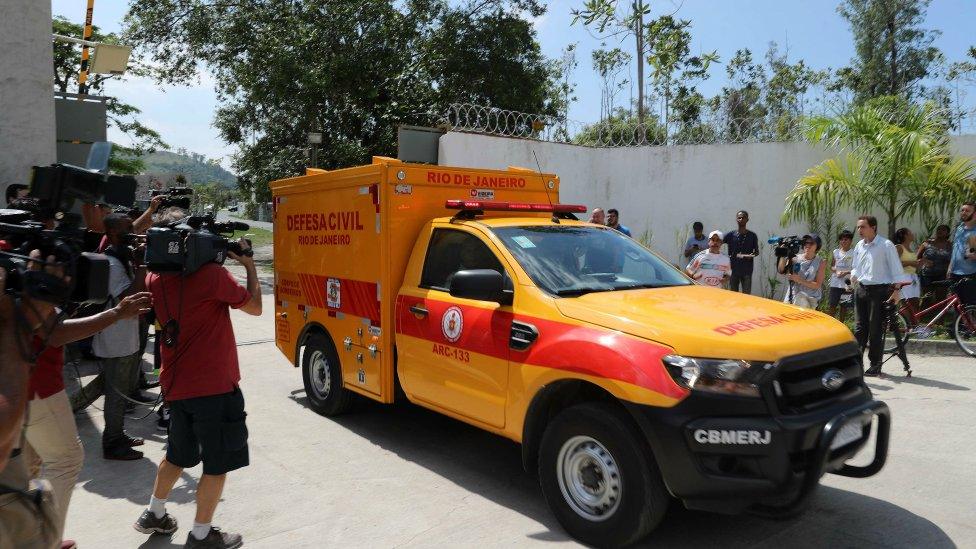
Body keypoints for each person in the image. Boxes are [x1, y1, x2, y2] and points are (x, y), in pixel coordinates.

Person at [134, 218, 262, 548]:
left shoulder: (155, 277)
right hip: (215, 388)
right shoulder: (213, 277)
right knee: (217, 463)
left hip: (177, 386)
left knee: (177, 454)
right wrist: (248, 264)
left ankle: (155, 513)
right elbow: (256, 307)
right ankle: (202, 534)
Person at [26, 293, 151, 546]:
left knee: (26, 466)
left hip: (16, 387)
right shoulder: (27, 280)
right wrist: (115, 313)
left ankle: (23, 533)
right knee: (66, 462)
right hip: (37, 388)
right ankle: (47, 541)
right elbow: (55, 333)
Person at [94, 213, 149, 461]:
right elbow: (130, 297)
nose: (132, 232)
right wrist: (143, 265)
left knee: (120, 390)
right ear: (113, 234)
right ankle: (112, 443)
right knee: (116, 396)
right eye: (127, 229)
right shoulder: (111, 264)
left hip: (126, 338)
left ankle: (118, 434)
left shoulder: (121, 257)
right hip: (115, 340)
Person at [850, 215, 904, 377]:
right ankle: (855, 364)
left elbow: (896, 270)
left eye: (863, 227)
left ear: (873, 227)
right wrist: (854, 276)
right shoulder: (859, 245)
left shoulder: (886, 245)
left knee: (875, 330)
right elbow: (855, 266)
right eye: (858, 227)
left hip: (879, 291)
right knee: (860, 329)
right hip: (861, 289)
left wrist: (896, 290)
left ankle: (875, 365)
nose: (859, 230)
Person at [778, 234, 826, 309]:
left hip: (810, 298)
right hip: (793, 295)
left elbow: (817, 285)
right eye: (806, 243)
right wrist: (783, 254)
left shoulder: (821, 262)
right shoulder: (795, 258)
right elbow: (781, 270)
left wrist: (799, 280)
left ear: (817, 246)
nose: (808, 245)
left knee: (800, 301)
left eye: (811, 243)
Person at [722, 210, 759, 294]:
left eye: (743, 217)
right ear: (736, 219)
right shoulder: (731, 235)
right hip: (733, 269)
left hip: (747, 270)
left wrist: (751, 255)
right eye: (739, 218)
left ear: (747, 220)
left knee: (746, 295)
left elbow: (756, 252)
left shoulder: (752, 236)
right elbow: (719, 242)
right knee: (733, 295)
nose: (741, 219)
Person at [893, 228, 922, 330]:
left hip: (913, 277)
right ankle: (905, 325)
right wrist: (910, 263)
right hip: (904, 277)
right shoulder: (899, 247)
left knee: (915, 302)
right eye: (910, 233)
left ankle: (914, 325)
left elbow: (915, 267)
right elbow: (895, 264)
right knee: (906, 302)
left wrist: (921, 263)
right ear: (905, 235)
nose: (912, 234)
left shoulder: (911, 249)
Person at [917, 224, 952, 306]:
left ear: (947, 233)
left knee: (941, 298)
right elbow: (917, 257)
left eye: (943, 230)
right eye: (938, 229)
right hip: (927, 275)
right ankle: (925, 317)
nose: (940, 231)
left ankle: (939, 317)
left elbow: (952, 259)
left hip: (942, 275)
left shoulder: (949, 245)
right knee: (926, 297)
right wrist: (924, 261)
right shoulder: (927, 243)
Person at [827, 229, 856, 322]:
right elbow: (831, 266)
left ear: (850, 241)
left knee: (844, 306)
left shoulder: (854, 253)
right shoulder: (835, 252)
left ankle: (841, 326)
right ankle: (830, 326)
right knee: (832, 306)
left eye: (846, 239)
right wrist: (836, 271)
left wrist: (846, 272)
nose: (843, 241)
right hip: (835, 284)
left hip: (847, 284)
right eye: (842, 239)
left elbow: (856, 268)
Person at [947, 201, 976, 281]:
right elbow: (955, 250)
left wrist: (972, 255)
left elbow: (971, 253)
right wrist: (950, 268)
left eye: (967, 211)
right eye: (962, 210)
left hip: (971, 275)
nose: (963, 212)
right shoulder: (959, 228)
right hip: (954, 273)